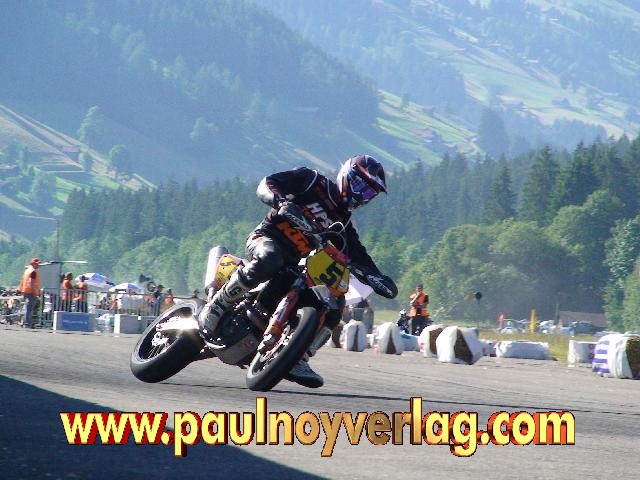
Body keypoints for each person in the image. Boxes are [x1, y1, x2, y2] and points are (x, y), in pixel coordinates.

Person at [199, 155, 398, 388]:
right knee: (271, 259)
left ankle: (299, 357)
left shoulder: (343, 224)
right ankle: (219, 303)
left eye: (369, 193)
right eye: (362, 187)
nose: (363, 196)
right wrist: (281, 201)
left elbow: (359, 256)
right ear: (347, 176)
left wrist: (378, 278)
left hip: (295, 263)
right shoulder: (312, 181)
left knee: (335, 305)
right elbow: (268, 183)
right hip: (267, 238)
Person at [18, 257, 41, 328]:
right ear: (33, 264)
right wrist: (34, 292)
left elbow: (22, 281)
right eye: (37, 264)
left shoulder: (27, 270)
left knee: (26, 308)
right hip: (31, 292)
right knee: (29, 309)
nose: (38, 265)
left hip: (25, 291)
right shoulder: (33, 272)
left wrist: (20, 289)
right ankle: (27, 323)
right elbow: (31, 282)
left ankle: (24, 322)